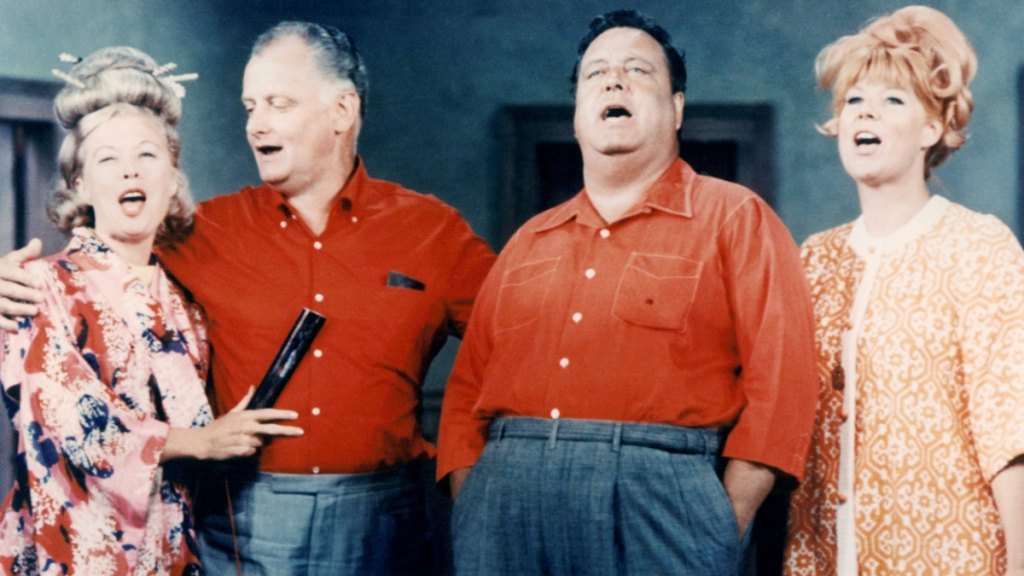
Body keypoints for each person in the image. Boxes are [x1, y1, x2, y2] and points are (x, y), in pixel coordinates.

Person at [0, 22, 494, 575]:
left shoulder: (432, 230)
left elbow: (516, 342)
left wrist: (469, 471)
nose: (256, 124)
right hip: (236, 520)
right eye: (249, 106)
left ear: (342, 110)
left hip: (386, 514)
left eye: (277, 103)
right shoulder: (201, 232)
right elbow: (105, 248)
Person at [436, 9, 818, 575]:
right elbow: (467, 390)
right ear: (577, 116)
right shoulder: (528, 241)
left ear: (677, 108)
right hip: (504, 503)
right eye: (597, 74)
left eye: (637, 70)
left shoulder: (737, 218)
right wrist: (476, 500)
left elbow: (783, 384)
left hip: (662, 505)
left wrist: (721, 519)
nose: (614, 81)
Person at [0, 46, 302, 575]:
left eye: (147, 155)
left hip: (172, 548)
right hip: (75, 550)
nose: (129, 172)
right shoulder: (42, 285)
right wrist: (200, 441)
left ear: (171, 175)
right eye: (107, 160)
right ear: (81, 184)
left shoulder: (185, 302)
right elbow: (71, 423)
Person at [783, 6, 1024, 576]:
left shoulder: (979, 246)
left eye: (892, 100)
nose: (864, 111)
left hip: (952, 559)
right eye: (853, 100)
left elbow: (1010, 430)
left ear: (932, 128)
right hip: (822, 558)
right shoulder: (813, 258)